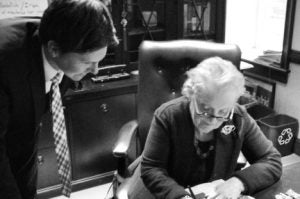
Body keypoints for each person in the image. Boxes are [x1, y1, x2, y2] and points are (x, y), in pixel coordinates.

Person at [0, 0, 118, 198]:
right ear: (54, 49)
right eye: (87, 62)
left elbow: (24, 138)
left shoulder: (63, 48)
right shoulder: (6, 65)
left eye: (99, 61)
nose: (95, 71)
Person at [139, 57, 282, 199]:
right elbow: (151, 168)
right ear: (191, 95)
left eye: (223, 112)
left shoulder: (238, 118)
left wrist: (238, 182)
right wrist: (179, 196)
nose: (213, 121)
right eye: (205, 110)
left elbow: (271, 160)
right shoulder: (168, 116)